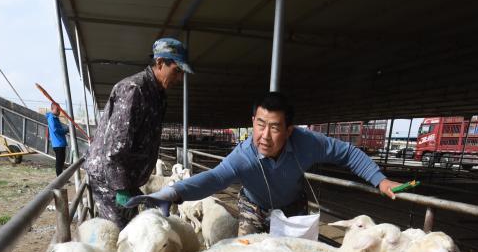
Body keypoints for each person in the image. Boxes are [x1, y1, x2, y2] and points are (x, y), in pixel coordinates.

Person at [136, 92, 401, 234]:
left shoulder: (307, 143)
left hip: (292, 206)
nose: (264, 135)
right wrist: (175, 192)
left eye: (274, 127)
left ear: (289, 130)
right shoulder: (243, 156)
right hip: (254, 207)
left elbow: (348, 153)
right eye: (260, 125)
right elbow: (215, 178)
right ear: (253, 121)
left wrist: (380, 180)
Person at [85, 37, 192, 226]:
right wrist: (121, 188)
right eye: (177, 71)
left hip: (128, 179)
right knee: (120, 233)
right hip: (110, 180)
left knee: (136, 227)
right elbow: (116, 145)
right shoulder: (134, 90)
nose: (179, 79)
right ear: (160, 62)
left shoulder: (158, 95)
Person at [46, 101, 69, 176]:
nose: (59, 111)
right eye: (57, 109)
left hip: (60, 143)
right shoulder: (51, 118)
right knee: (59, 162)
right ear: (52, 109)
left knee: (61, 161)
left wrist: (65, 129)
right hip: (58, 143)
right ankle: (59, 178)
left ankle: (61, 177)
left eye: (59, 109)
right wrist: (65, 130)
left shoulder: (55, 118)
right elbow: (55, 130)